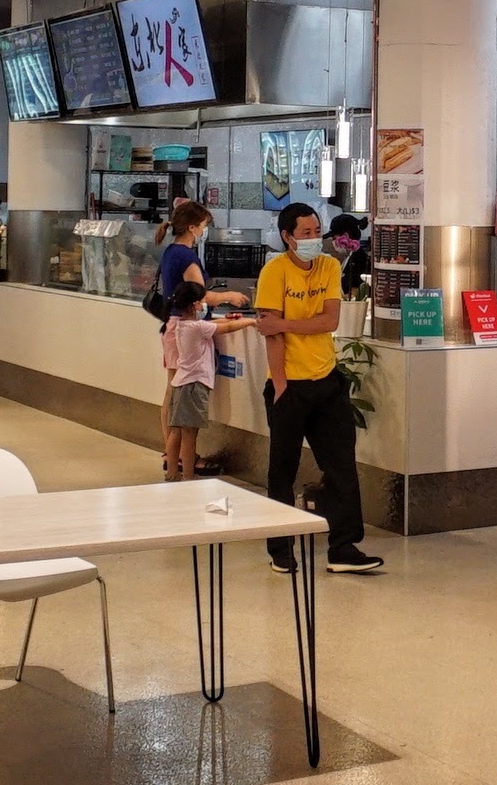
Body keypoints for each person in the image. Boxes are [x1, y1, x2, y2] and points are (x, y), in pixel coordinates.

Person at [254, 202, 382, 574]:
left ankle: (343, 548)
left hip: (327, 381)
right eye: (305, 233)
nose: (313, 238)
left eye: (316, 231)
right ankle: (280, 549)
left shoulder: (328, 265)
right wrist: (279, 384)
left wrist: (283, 324)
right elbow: (269, 335)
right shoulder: (273, 272)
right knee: (282, 469)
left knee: (341, 466)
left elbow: (329, 320)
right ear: (287, 237)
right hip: (287, 386)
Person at [160, 282, 253, 482]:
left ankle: (172, 472)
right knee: (190, 434)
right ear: (194, 305)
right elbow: (226, 328)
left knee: (176, 431)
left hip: (180, 383)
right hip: (193, 386)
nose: (204, 305)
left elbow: (216, 325)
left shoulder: (182, 325)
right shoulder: (196, 327)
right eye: (202, 302)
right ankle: (188, 475)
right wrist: (251, 322)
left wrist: (233, 319)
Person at [328, 214, 371, 295]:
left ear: (345, 236)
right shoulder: (350, 257)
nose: (333, 242)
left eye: (334, 238)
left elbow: (354, 292)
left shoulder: (357, 260)